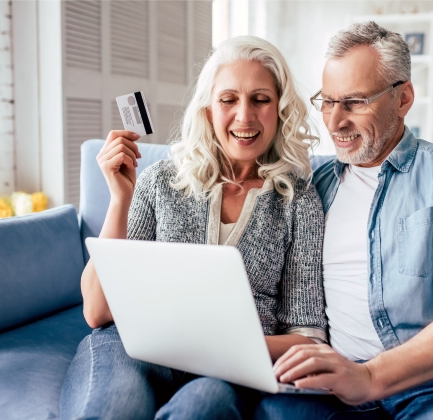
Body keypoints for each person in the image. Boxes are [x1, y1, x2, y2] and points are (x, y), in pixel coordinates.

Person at [255, 22, 433, 420]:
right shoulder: (314, 188)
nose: (334, 122)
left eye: (354, 102)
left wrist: (369, 376)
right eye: (328, 102)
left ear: (403, 99)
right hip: (336, 389)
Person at [59, 35, 327, 420]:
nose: (245, 116)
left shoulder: (297, 202)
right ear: (207, 110)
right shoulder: (160, 181)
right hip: (135, 350)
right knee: (113, 410)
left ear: (280, 109)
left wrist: (231, 346)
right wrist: (121, 199)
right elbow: (98, 311)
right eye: (229, 99)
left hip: (228, 370)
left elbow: (307, 336)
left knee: (200, 409)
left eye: (261, 99)